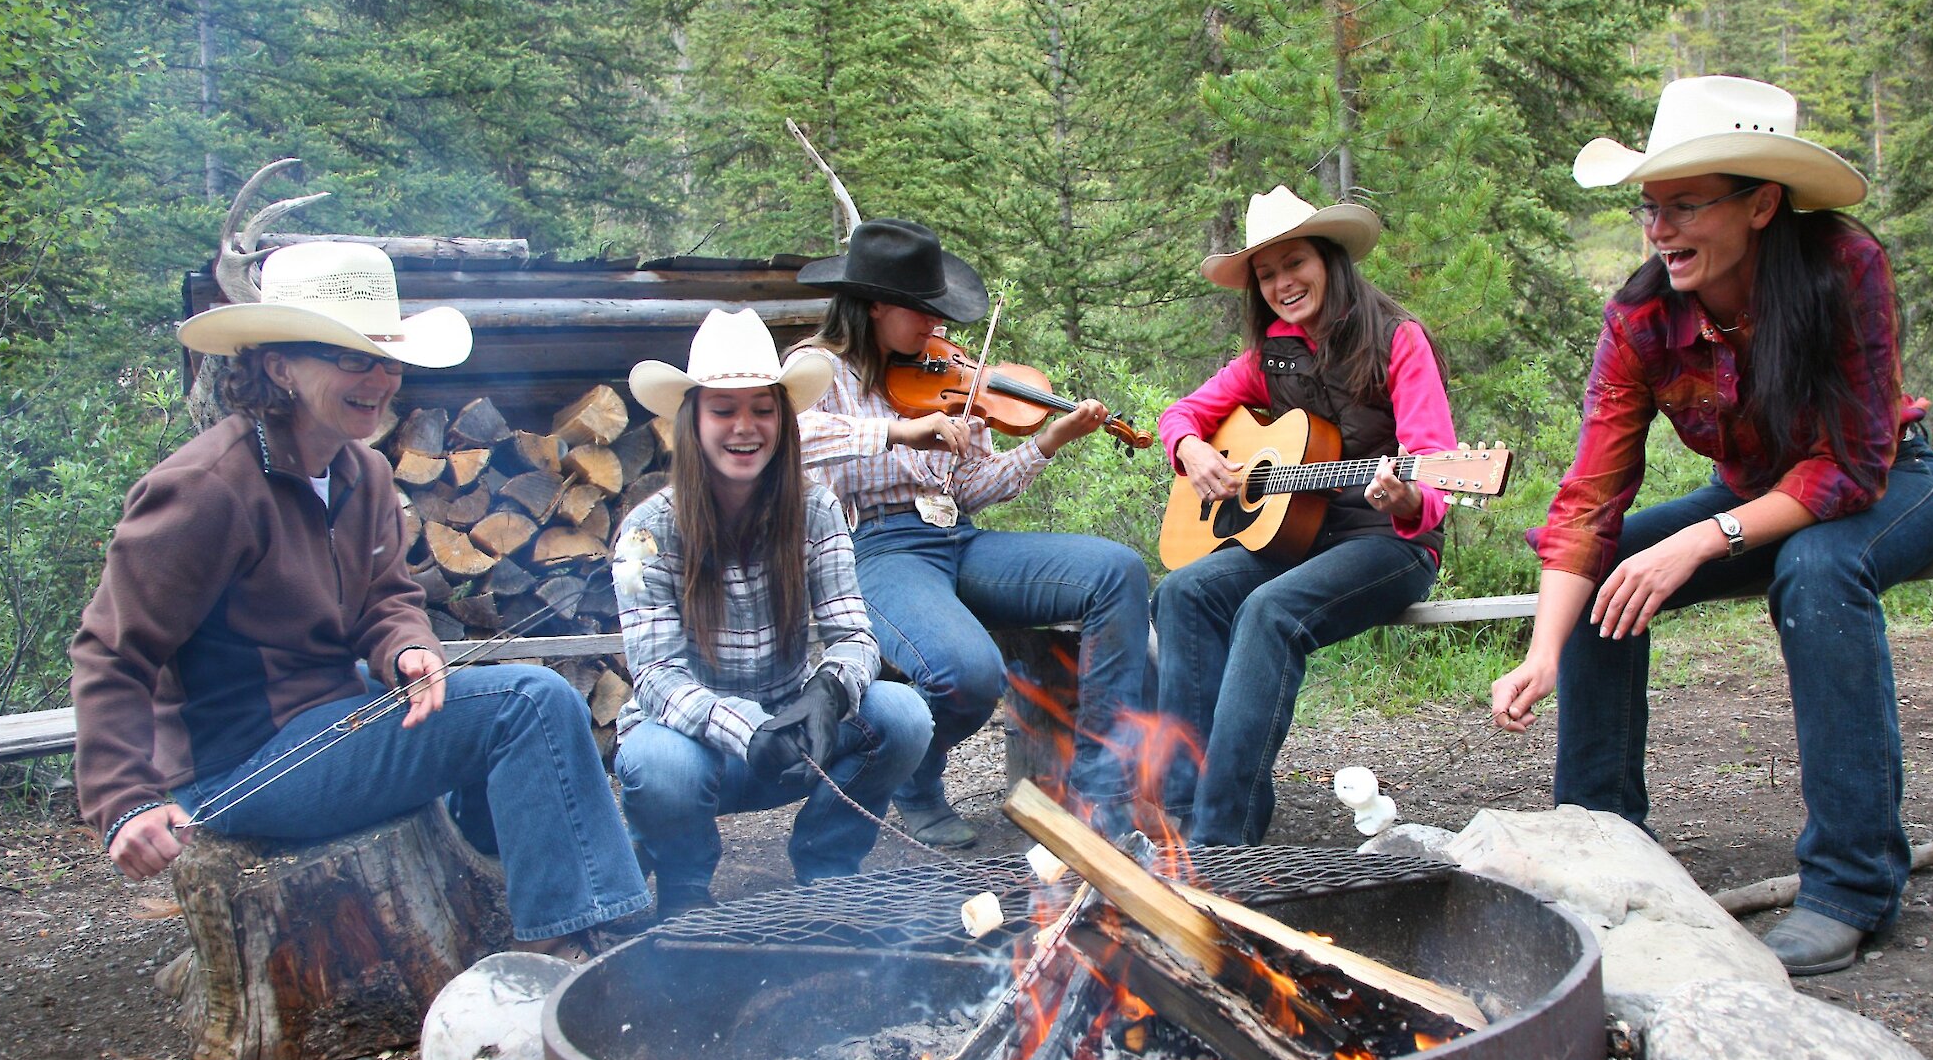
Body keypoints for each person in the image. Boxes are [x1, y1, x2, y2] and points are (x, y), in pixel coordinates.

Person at [1488, 76, 1933, 976]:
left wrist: (1707, 538)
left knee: (1818, 568)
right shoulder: (1641, 318)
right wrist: (1545, 648)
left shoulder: (1842, 268)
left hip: (1890, 480)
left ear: (1762, 205)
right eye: (1649, 209)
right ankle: (1601, 848)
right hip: (1754, 498)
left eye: (1684, 207)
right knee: (1614, 565)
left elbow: (1854, 465)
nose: (1659, 230)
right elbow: (1591, 495)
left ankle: (1850, 888)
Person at [72, 240, 650, 958]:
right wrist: (124, 799)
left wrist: (406, 644)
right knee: (529, 702)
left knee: (502, 708)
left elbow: (387, 598)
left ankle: (516, 903)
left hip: (336, 723)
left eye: (388, 358)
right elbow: (111, 650)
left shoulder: (363, 474)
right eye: (352, 357)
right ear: (278, 366)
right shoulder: (206, 489)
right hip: (240, 768)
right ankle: (576, 946)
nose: (379, 378)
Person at [786, 218, 1151, 845]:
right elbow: (789, 440)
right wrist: (898, 431)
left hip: (959, 538)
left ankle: (1097, 791)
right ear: (875, 304)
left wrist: (1047, 442)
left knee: (1117, 571)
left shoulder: (947, 376)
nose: (939, 329)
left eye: (941, 315)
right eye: (924, 313)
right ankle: (916, 780)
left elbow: (972, 486)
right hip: (875, 546)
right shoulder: (816, 367)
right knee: (967, 673)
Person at [1153, 186, 1460, 846]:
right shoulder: (1271, 355)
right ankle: (1185, 808)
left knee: (1269, 610)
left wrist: (1406, 497)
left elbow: (1434, 466)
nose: (1282, 283)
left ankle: (1218, 840)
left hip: (1390, 542)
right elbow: (1180, 413)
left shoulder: (1396, 338)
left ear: (1327, 258)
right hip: (1303, 535)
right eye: (1266, 274)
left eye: (1294, 264)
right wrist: (1190, 447)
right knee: (1182, 591)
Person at [611, 309, 932, 914]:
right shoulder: (645, 532)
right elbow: (655, 677)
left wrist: (828, 694)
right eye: (723, 409)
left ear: (783, 420)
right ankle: (684, 888)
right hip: (694, 747)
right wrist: (746, 728)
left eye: (762, 408)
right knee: (656, 762)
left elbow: (853, 634)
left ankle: (828, 864)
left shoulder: (815, 507)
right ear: (693, 420)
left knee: (905, 715)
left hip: (794, 735)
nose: (745, 427)